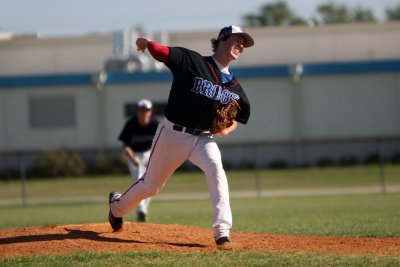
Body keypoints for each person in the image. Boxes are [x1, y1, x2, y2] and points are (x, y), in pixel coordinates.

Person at [108, 25, 253, 249]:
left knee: (216, 170)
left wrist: (226, 128)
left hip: (202, 138)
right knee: (151, 186)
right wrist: (147, 44)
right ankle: (116, 207)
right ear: (223, 38)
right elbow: (164, 53)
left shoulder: (234, 87)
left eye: (244, 43)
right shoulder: (193, 61)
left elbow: (238, 117)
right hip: (173, 134)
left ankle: (222, 233)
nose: (241, 45)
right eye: (238, 39)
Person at [118, 99, 159, 222]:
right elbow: (125, 146)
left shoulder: (154, 124)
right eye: (142, 110)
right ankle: (141, 210)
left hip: (149, 154)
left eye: (146, 111)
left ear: (150, 112)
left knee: (152, 183)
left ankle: (142, 210)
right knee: (138, 181)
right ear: (137, 112)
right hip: (134, 155)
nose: (144, 113)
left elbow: (160, 142)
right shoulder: (131, 124)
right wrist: (132, 158)